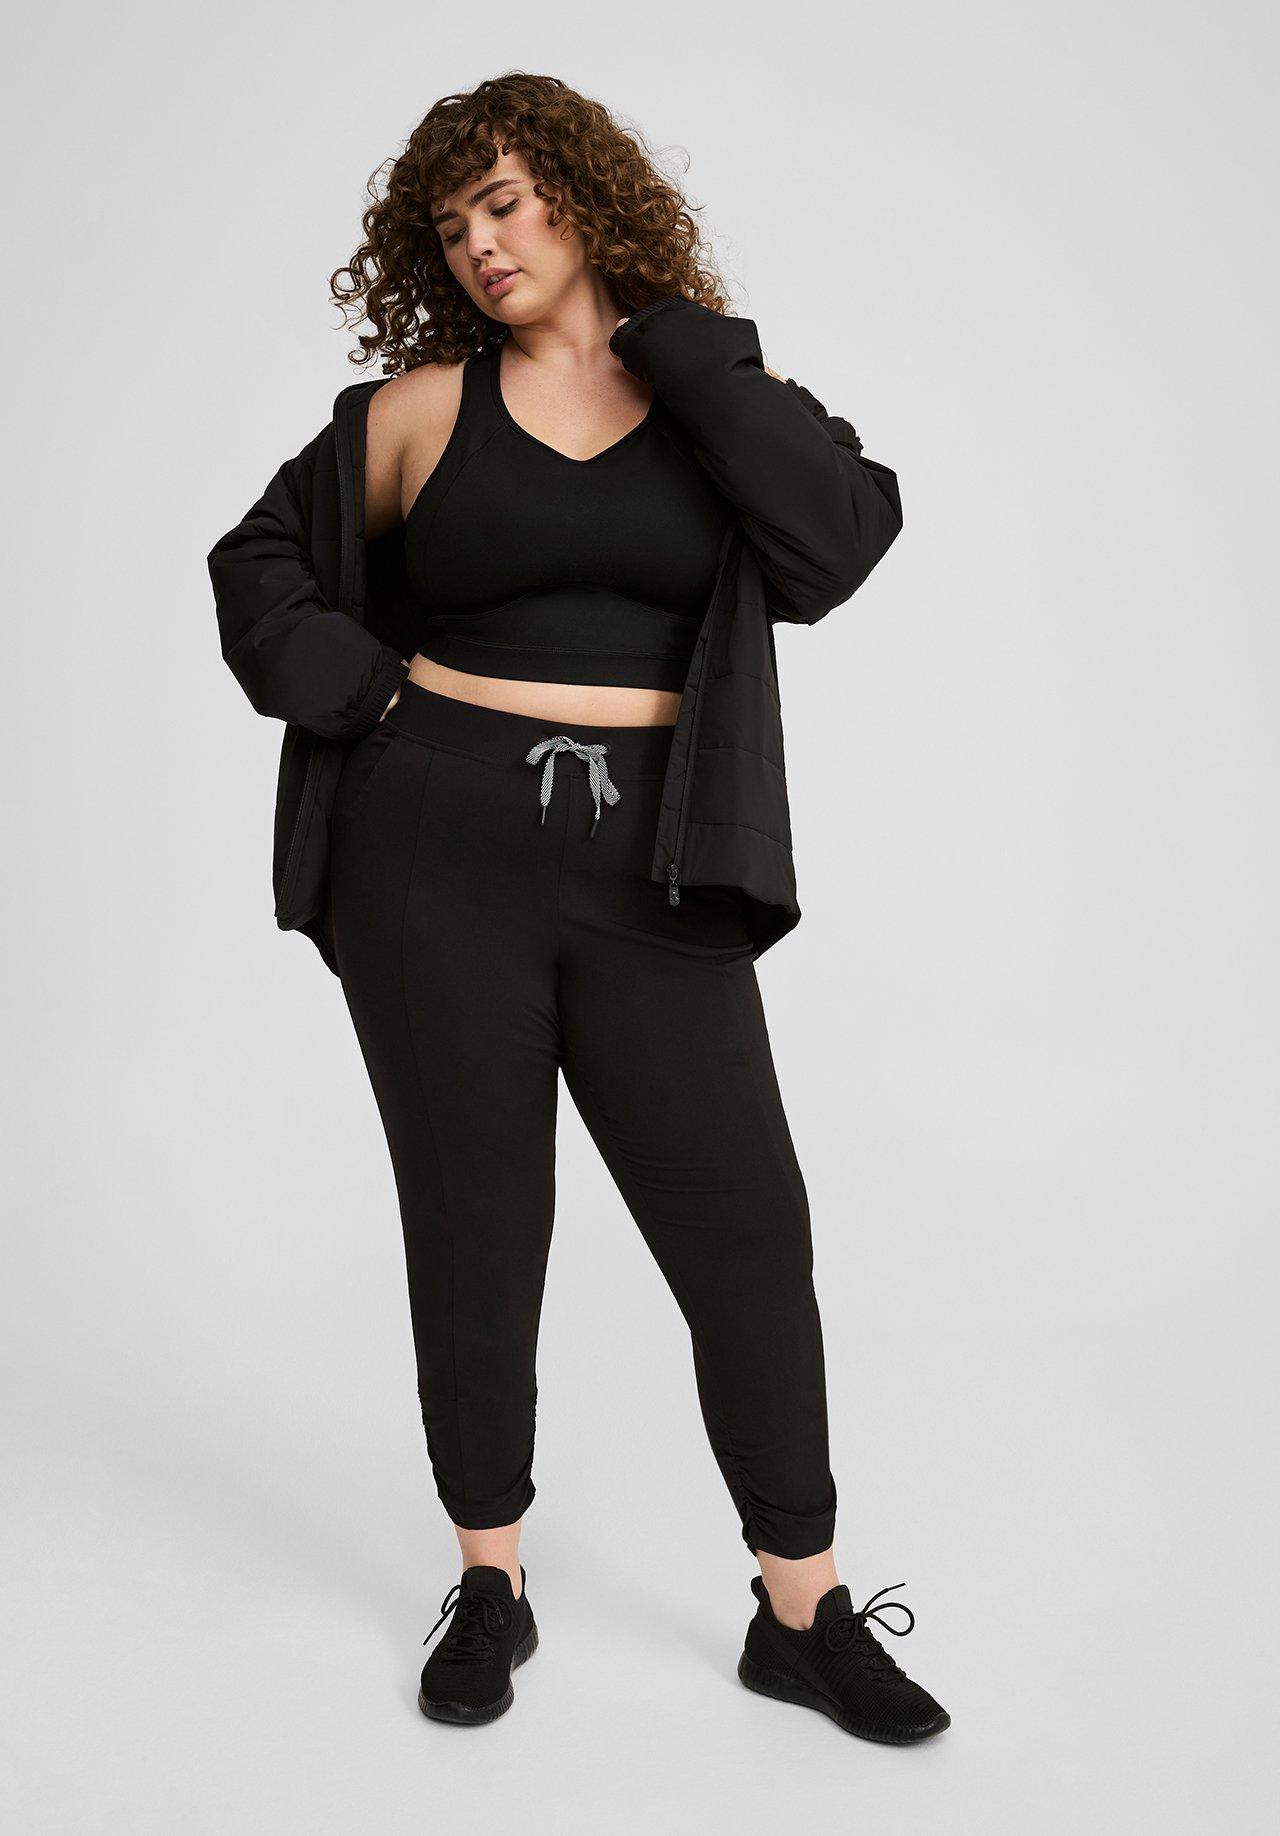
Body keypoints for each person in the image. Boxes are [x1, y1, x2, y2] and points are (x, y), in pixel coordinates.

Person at [210, 72, 949, 1742]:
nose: (480, 243)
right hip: (433, 855)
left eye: (508, 201)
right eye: (450, 225)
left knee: (746, 1234)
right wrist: (373, 697)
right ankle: (491, 1578)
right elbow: (257, 567)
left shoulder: (713, 399)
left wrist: (689, 352)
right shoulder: (419, 411)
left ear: (588, 199)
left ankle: (803, 1608)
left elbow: (838, 544)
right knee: (476, 1226)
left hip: (654, 869)